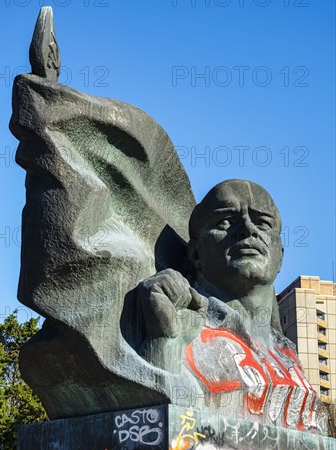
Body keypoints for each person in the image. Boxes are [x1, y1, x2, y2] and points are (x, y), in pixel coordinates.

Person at [138, 179, 326, 433]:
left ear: (280, 255)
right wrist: (163, 345)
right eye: (224, 221)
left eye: (262, 222)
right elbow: (160, 427)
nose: (248, 230)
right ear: (195, 253)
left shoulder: (290, 357)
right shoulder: (178, 326)